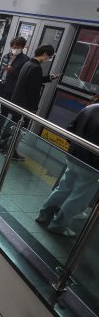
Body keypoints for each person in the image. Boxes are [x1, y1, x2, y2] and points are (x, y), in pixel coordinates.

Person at [36, 98, 99, 236]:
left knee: (63, 188)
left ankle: (44, 214)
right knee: (79, 197)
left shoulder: (90, 108)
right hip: (93, 166)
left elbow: (70, 130)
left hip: (73, 157)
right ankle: (58, 225)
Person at [0, 44, 58, 161]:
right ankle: (11, 151)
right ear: (44, 54)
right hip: (26, 105)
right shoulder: (36, 68)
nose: (48, 59)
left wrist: (48, 78)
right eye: (48, 57)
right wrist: (34, 108)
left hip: (17, 102)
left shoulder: (28, 63)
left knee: (13, 124)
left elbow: (33, 81)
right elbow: (33, 90)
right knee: (20, 129)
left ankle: (2, 145)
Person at [0, 37, 30, 135]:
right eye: (13, 47)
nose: (15, 49)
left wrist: (13, 71)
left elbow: (22, 76)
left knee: (4, 110)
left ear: (22, 47)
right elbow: (0, 70)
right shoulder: (6, 56)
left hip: (10, 88)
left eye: (18, 47)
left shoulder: (25, 60)